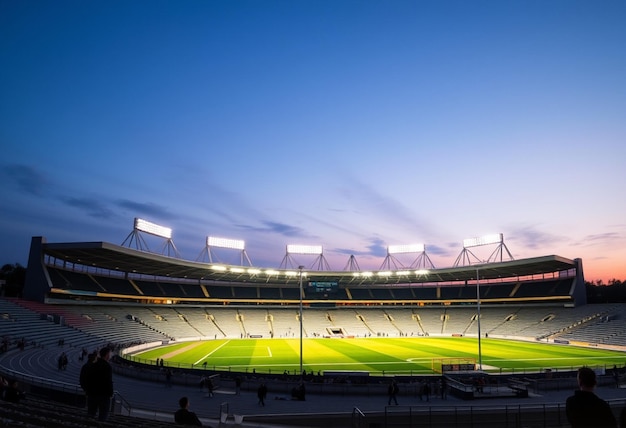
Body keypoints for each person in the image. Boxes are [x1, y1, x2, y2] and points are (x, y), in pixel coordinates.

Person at [84, 346, 114, 421]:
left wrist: (88, 390)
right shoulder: (107, 366)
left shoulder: (94, 364)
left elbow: (87, 378)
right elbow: (108, 382)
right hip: (103, 396)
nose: (110, 355)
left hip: (92, 393)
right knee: (103, 416)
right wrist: (110, 393)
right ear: (107, 355)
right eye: (110, 354)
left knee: (90, 414)